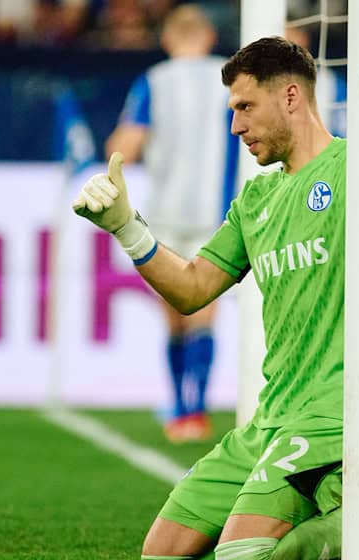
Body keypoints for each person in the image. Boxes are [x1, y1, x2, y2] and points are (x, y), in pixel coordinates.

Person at [73, 36, 359, 559]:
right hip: (274, 416)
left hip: (339, 407)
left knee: (241, 556)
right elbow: (193, 290)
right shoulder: (256, 199)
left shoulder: (350, 164)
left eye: (245, 107)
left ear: (291, 96)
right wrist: (127, 228)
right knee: (162, 553)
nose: (235, 126)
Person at [104, 4, 237, 443]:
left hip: (164, 211)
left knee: (174, 313)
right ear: (208, 38)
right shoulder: (230, 77)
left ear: (166, 40)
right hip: (217, 211)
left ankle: (180, 406)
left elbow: (128, 146)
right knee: (205, 312)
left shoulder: (154, 81)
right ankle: (196, 409)